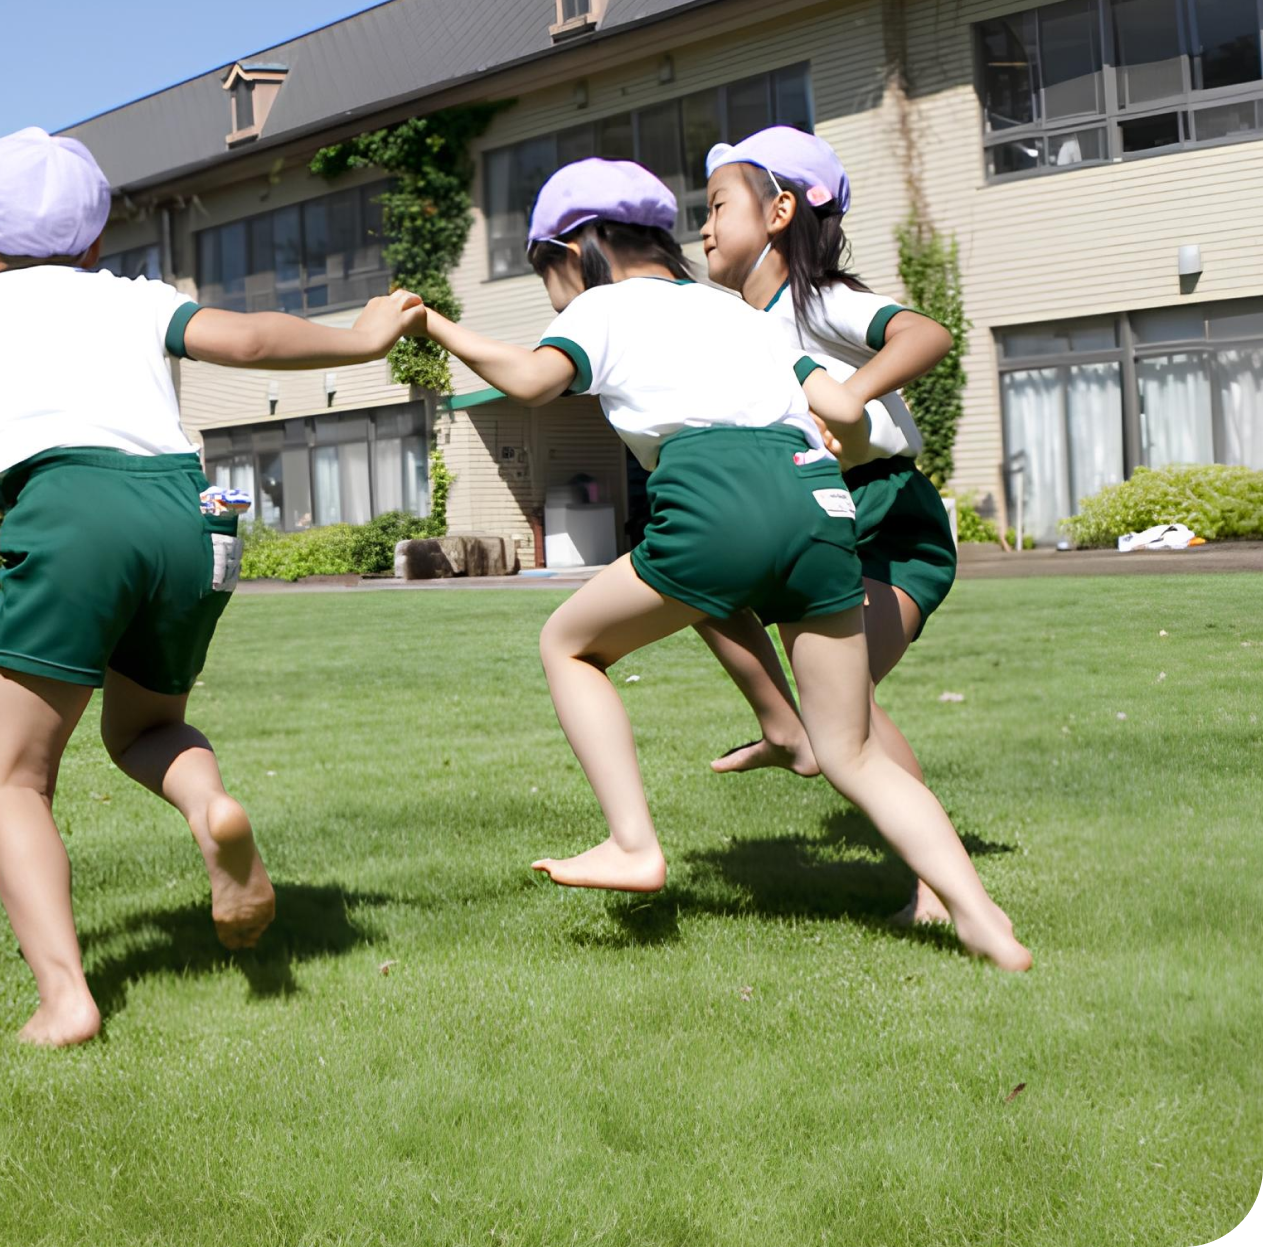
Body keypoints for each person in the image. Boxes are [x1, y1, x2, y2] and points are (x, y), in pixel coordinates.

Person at [0, 127, 427, 1046]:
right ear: (93, 242)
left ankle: (66, 998)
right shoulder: (132, 299)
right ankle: (212, 810)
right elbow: (245, 338)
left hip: (71, 506)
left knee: (13, 779)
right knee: (149, 728)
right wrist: (362, 339)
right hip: (187, 513)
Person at [407, 158, 1028, 970]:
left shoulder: (602, 306)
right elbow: (841, 407)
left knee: (570, 644)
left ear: (581, 246)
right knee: (853, 750)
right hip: (817, 504)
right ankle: (980, 918)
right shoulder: (739, 312)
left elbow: (530, 380)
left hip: (713, 494)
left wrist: (434, 326)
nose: (550, 289)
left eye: (544, 268)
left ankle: (633, 844)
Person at [689, 127, 960, 927]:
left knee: (850, 717)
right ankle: (787, 728)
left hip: (890, 522)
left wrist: (850, 398)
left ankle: (941, 891)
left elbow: (926, 334)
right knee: (692, 577)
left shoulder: (819, 300)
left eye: (716, 206)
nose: (701, 226)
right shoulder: (731, 323)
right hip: (822, 516)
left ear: (778, 212)